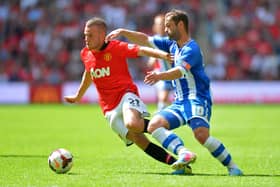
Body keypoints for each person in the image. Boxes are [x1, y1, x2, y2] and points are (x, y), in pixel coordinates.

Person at [106, 9, 243, 176]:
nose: (165, 30)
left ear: (180, 25)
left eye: (168, 26)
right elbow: (145, 40)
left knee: (201, 135)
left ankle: (233, 167)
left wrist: (160, 75)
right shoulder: (171, 44)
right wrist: (123, 32)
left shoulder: (192, 49)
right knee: (155, 124)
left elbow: (180, 71)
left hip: (197, 99)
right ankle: (184, 154)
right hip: (180, 102)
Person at [64, 17, 191, 175]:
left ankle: (169, 135)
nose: (86, 39)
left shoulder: (116, 47)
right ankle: (180, 165)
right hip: (108, 109)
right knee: (139, 140)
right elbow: (89, 74)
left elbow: (141, 50)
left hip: (125, 94)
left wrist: (164, 55)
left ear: (102, 35)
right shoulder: (85, 54)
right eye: (85, 35)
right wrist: (78, 96)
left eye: (90, 35)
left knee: (132, 123)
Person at [147, 14, 173, 111]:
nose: (161, 26)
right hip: (161, 74)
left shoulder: (171, 40)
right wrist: (154, 57)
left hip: (175, 73)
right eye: (158, 24)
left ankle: (163, 114)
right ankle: (160, 116)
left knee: (166, 99)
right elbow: (150, 63)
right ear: (155, 26)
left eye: (162, 24)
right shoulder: (153, 41)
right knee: (163, 98)